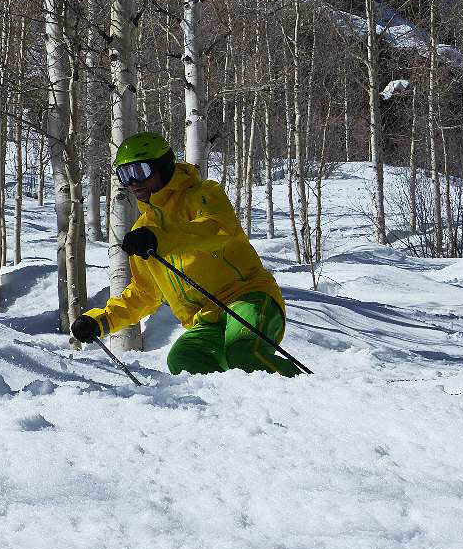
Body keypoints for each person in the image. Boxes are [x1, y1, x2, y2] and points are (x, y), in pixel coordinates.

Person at [70, 132, 300, 377]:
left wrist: (161, 239)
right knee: (184, 359)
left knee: (242, 351)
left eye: (140, 171)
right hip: (206, 320)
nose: (133, 182)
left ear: (163, 166)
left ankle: (307, 397)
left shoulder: (202, 194)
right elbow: (145, 293)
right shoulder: (142, 232)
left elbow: (215, 229)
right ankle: (228, 412)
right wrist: (101, 321)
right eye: (125, 175)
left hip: (249, 298)